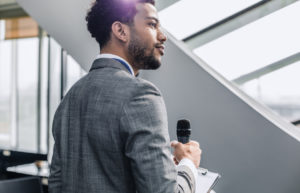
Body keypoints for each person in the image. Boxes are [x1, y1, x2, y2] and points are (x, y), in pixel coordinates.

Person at [48, 0, 201, 192]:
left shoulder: (70, 98)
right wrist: (188, 165)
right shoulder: (141, 95)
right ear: (121, 31)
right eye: (152, 24)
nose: (162, 36)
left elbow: (57, 185)